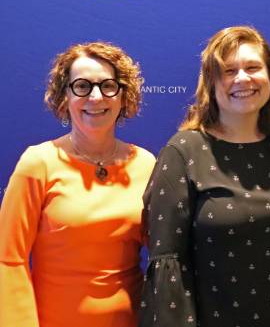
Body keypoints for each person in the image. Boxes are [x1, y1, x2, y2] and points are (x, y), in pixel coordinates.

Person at [140, 26, 270, 327]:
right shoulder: (183, 152)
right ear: (211, 83)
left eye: (253, 67)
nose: (242, 79)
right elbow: (168, 268)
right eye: (228, 71)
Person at [0, 42, 156, 327]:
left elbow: (166, 249)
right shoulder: (38, 163)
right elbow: (8, 260)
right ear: (65, 97)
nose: (96, 97)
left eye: (108, 86)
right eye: (82, 86)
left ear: (124, 96)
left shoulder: (146, 164)